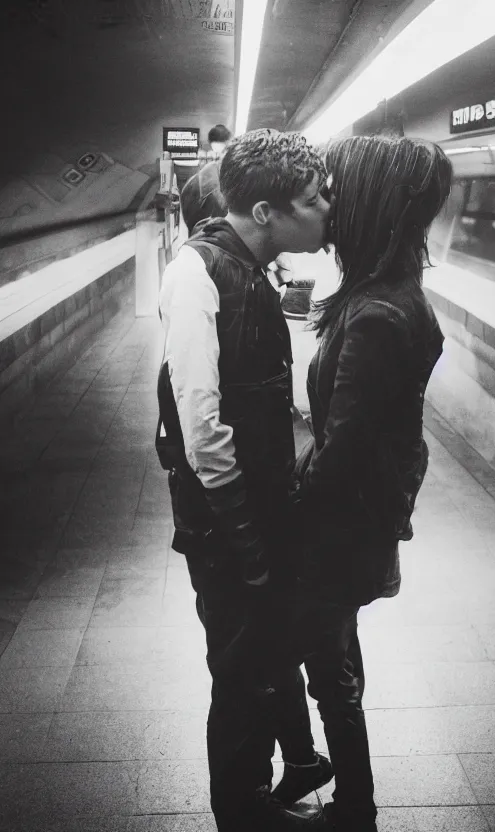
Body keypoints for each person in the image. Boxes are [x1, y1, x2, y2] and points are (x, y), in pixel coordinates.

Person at [156, 128, 334, 832]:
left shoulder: (252, 269)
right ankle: (241, 812)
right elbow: (201, 425)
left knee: (259, 656)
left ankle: (272, 785)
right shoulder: (196, 272)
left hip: (258, 510)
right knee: (238, 668)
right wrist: (245, 531)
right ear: (265, 211)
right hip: (226, 521)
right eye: (314, 199)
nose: (327, 209)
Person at [289, 135, 453, 832]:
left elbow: (345, 450)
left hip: (337, 530)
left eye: (335, 192)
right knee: (337, 659)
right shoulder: (387, 296)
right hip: (359, 520)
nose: (327, 204)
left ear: (369, 207)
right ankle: (350, 796)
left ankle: (354, 808)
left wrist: (286, 506)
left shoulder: (379, 315)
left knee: (328, 672)